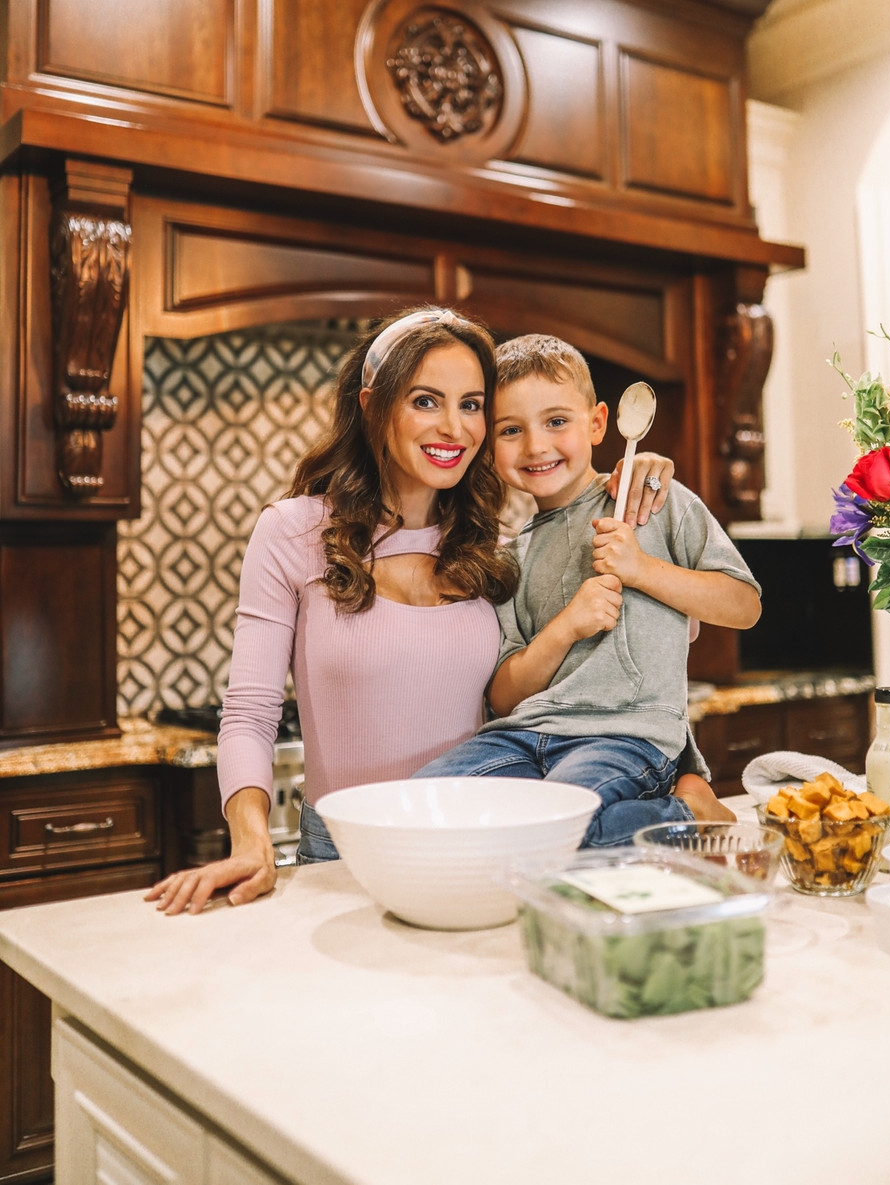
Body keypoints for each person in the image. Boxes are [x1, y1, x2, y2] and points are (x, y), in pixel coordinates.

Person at [145, 308, 676, 914]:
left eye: (472, 405)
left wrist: (637, 478)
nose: (453, 427)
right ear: (373, 406)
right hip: (344, 857)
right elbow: (249, 711)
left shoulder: (497, 548)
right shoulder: (293, 531)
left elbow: (593, 688)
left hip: (482, 852)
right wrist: (251, 843)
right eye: (426, 401)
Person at [413, 334, 761, 844]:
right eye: (511, 430)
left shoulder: (652, 502)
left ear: (598, 423)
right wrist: (568, 625)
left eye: (557, 421)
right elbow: (504, 696)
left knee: (562, 832)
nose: (536, 445)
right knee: (418, 811)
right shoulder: (511, 557)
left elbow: (744, 605)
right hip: (521, 736)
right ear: (489, 447)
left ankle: (689, 808)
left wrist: (640, 569)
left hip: (626, 734)